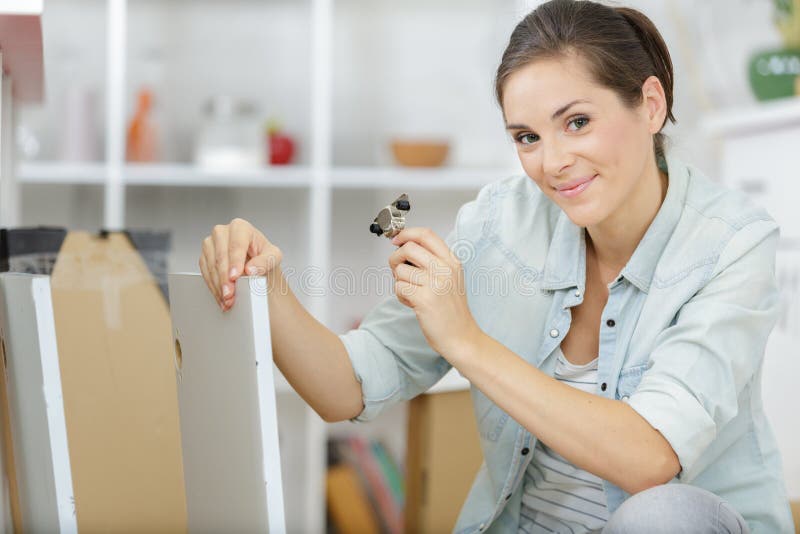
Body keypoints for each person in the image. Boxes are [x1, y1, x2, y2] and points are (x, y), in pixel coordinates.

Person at [198, 0, 794, 532]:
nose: (553, 162)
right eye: (527, 137)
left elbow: (649, 458)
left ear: (650, 105)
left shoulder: (732, 245)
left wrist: (464, 340)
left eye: (577, 122)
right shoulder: (498, 224)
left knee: (664, 516)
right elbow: (346, 389)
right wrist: (263, 284)